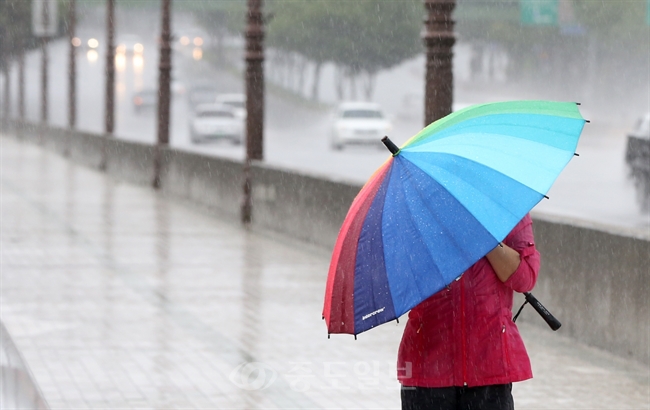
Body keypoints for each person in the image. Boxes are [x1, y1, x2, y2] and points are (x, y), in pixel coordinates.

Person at [398, 214, 540, 410]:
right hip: (426, 368)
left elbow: (525, 278)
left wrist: (484, 236)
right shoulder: (415, 208)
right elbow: (396, 282)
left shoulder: (503, 206)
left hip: (490, 366)